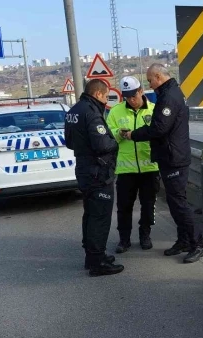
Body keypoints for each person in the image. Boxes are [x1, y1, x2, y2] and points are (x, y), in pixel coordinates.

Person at [122, 64, 203, 264]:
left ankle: (198, 244)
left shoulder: (169, 97)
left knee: (180, 204)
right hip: (170, 156)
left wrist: (134, 134)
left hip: (174, 158)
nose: (149, 84)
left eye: (150, 80)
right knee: (175, 203)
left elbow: (159, 128)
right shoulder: (168, 94)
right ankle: (184, 240)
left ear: (158, 76)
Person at [64, 79, 125, 276]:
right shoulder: (91, 113)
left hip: (83, 169)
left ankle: (92, 256)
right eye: (106, 96)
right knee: (100, 217)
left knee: (90, 214)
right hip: (98, 173)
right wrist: (115, 142)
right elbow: (102, 145)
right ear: (98, 94)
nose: (107, 100)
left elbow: (70, 142)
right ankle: (98, 262)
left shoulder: (73, 111)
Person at [106, 76, 160, 254]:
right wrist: (118, 133)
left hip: (149, 168)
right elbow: (107, 135)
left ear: (141, 91)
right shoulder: (116, 112)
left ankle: (145, 235)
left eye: (133, 95)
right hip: (125, 169)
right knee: (124, 207)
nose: (130, 99)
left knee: (148, 205)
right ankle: (124, 239)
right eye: (127, 96)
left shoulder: (154, 110)